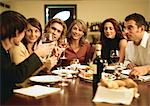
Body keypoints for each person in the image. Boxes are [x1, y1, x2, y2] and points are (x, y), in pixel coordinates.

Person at [0, 10, 54, 104]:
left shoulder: (5, 51)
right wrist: (37, 55)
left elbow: (12, 73)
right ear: (17, 32)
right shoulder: (6, 51)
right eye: (25, 31)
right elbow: (17, 76)